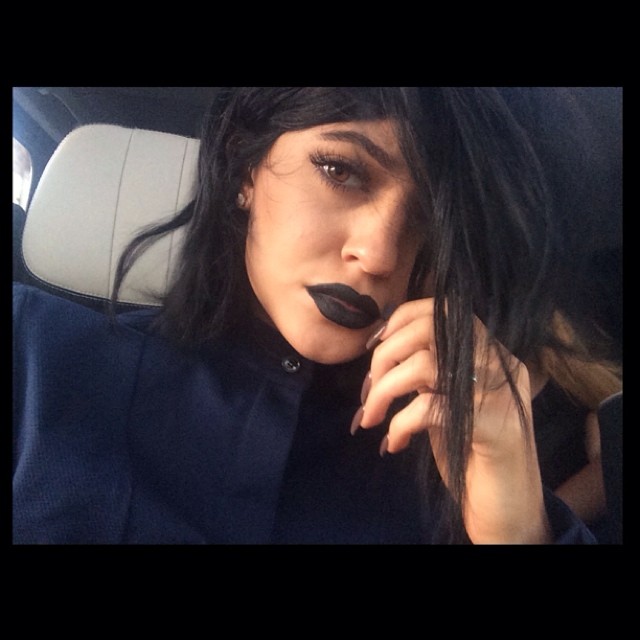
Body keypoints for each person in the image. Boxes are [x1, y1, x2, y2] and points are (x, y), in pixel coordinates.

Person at [13, 87, 620, 544]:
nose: (379, 254)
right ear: (243, 166)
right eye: (340, 170)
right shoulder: (33, 360)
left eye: (429, 221)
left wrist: (519, 529)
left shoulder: (451, 482)